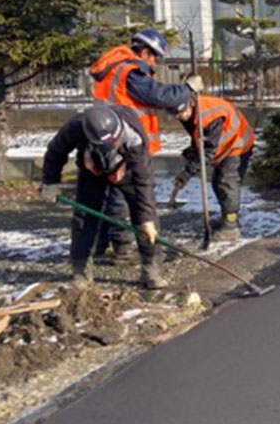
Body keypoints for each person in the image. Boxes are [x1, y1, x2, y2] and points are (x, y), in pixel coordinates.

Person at [89, 28, 203, 262]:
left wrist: (178, 106)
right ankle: (128, 251)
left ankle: (109, 246)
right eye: (155, 57)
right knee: (130, 196)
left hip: (115, 140)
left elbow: (146, 100)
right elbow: (158, 95)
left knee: (115, 195)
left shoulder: (118, 70)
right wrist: (187, 89)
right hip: (126, 145)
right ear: (143, 51)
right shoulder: (129, 72)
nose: (156, 64)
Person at [39, 104, 165, 289]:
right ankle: (80, 271)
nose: (112, 145)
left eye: (115, 142)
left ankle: (151, 268)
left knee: (145, 218)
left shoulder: (133, 137)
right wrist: (50, 183)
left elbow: (143, 182)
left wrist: (146, 219)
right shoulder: (76, 127)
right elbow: (55, 152)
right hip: (93, 170)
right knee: (84, 217)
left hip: (128, 169)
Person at [169, 95, 255, 242]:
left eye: (182, 112)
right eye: (176, 114)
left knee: (226, 183)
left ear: (189, 104)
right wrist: (193, 150)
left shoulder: (209, 116)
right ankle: (227, 218)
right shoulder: (190, 112)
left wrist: (186, 173)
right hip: (226, 143)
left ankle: (231, 227)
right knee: (217, 182)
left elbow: (207, 152)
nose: (180, 117)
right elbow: (202, 137)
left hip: (238, 143)